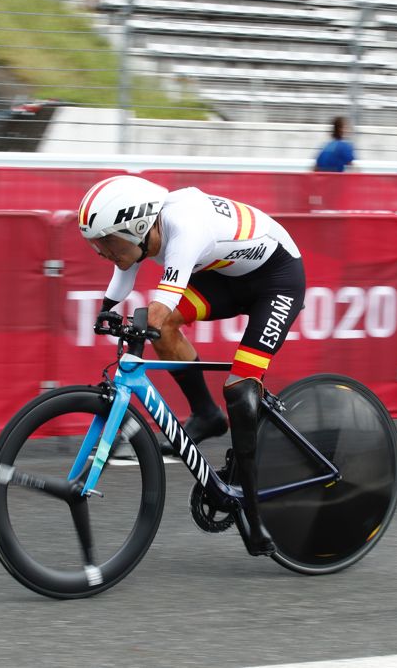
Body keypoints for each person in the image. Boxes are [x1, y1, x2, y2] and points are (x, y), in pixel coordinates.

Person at [78, 175, 306, 557]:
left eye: (106, 242)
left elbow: (160, 304)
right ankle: (205, 414)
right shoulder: (144, 233)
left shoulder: (184, 225)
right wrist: (105, 309)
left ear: (136, 225)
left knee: (240, 386)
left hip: (277, 280)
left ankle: (253, 507)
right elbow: (125, 270)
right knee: (163, 328)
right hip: (228, 276)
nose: (101, 252)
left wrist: (130, 319)